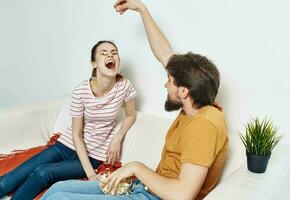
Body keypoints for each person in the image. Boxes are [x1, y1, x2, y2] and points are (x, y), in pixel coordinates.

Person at [40, 0, 228, 199]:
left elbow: (182, 195)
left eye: (169, 80)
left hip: (152, 197)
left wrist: (136, 167)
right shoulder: (196, 98)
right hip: (144, 186)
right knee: (57, 189)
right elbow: (164, 53)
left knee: (58, 198)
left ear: (183, 92)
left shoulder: (204, 126)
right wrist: (141, 9)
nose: (165, 85)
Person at [0, 40, 137, 200]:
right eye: (104, 53)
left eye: (114, 52)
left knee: (42, 173)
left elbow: (130, 115)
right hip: (65, 146)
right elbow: (76, 134)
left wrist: (118, 137)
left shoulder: (124, 86)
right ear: (94, 63)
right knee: (8, 181)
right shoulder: (81, 91)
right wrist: (91, 175)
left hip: (92, 156)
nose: (110, 55)